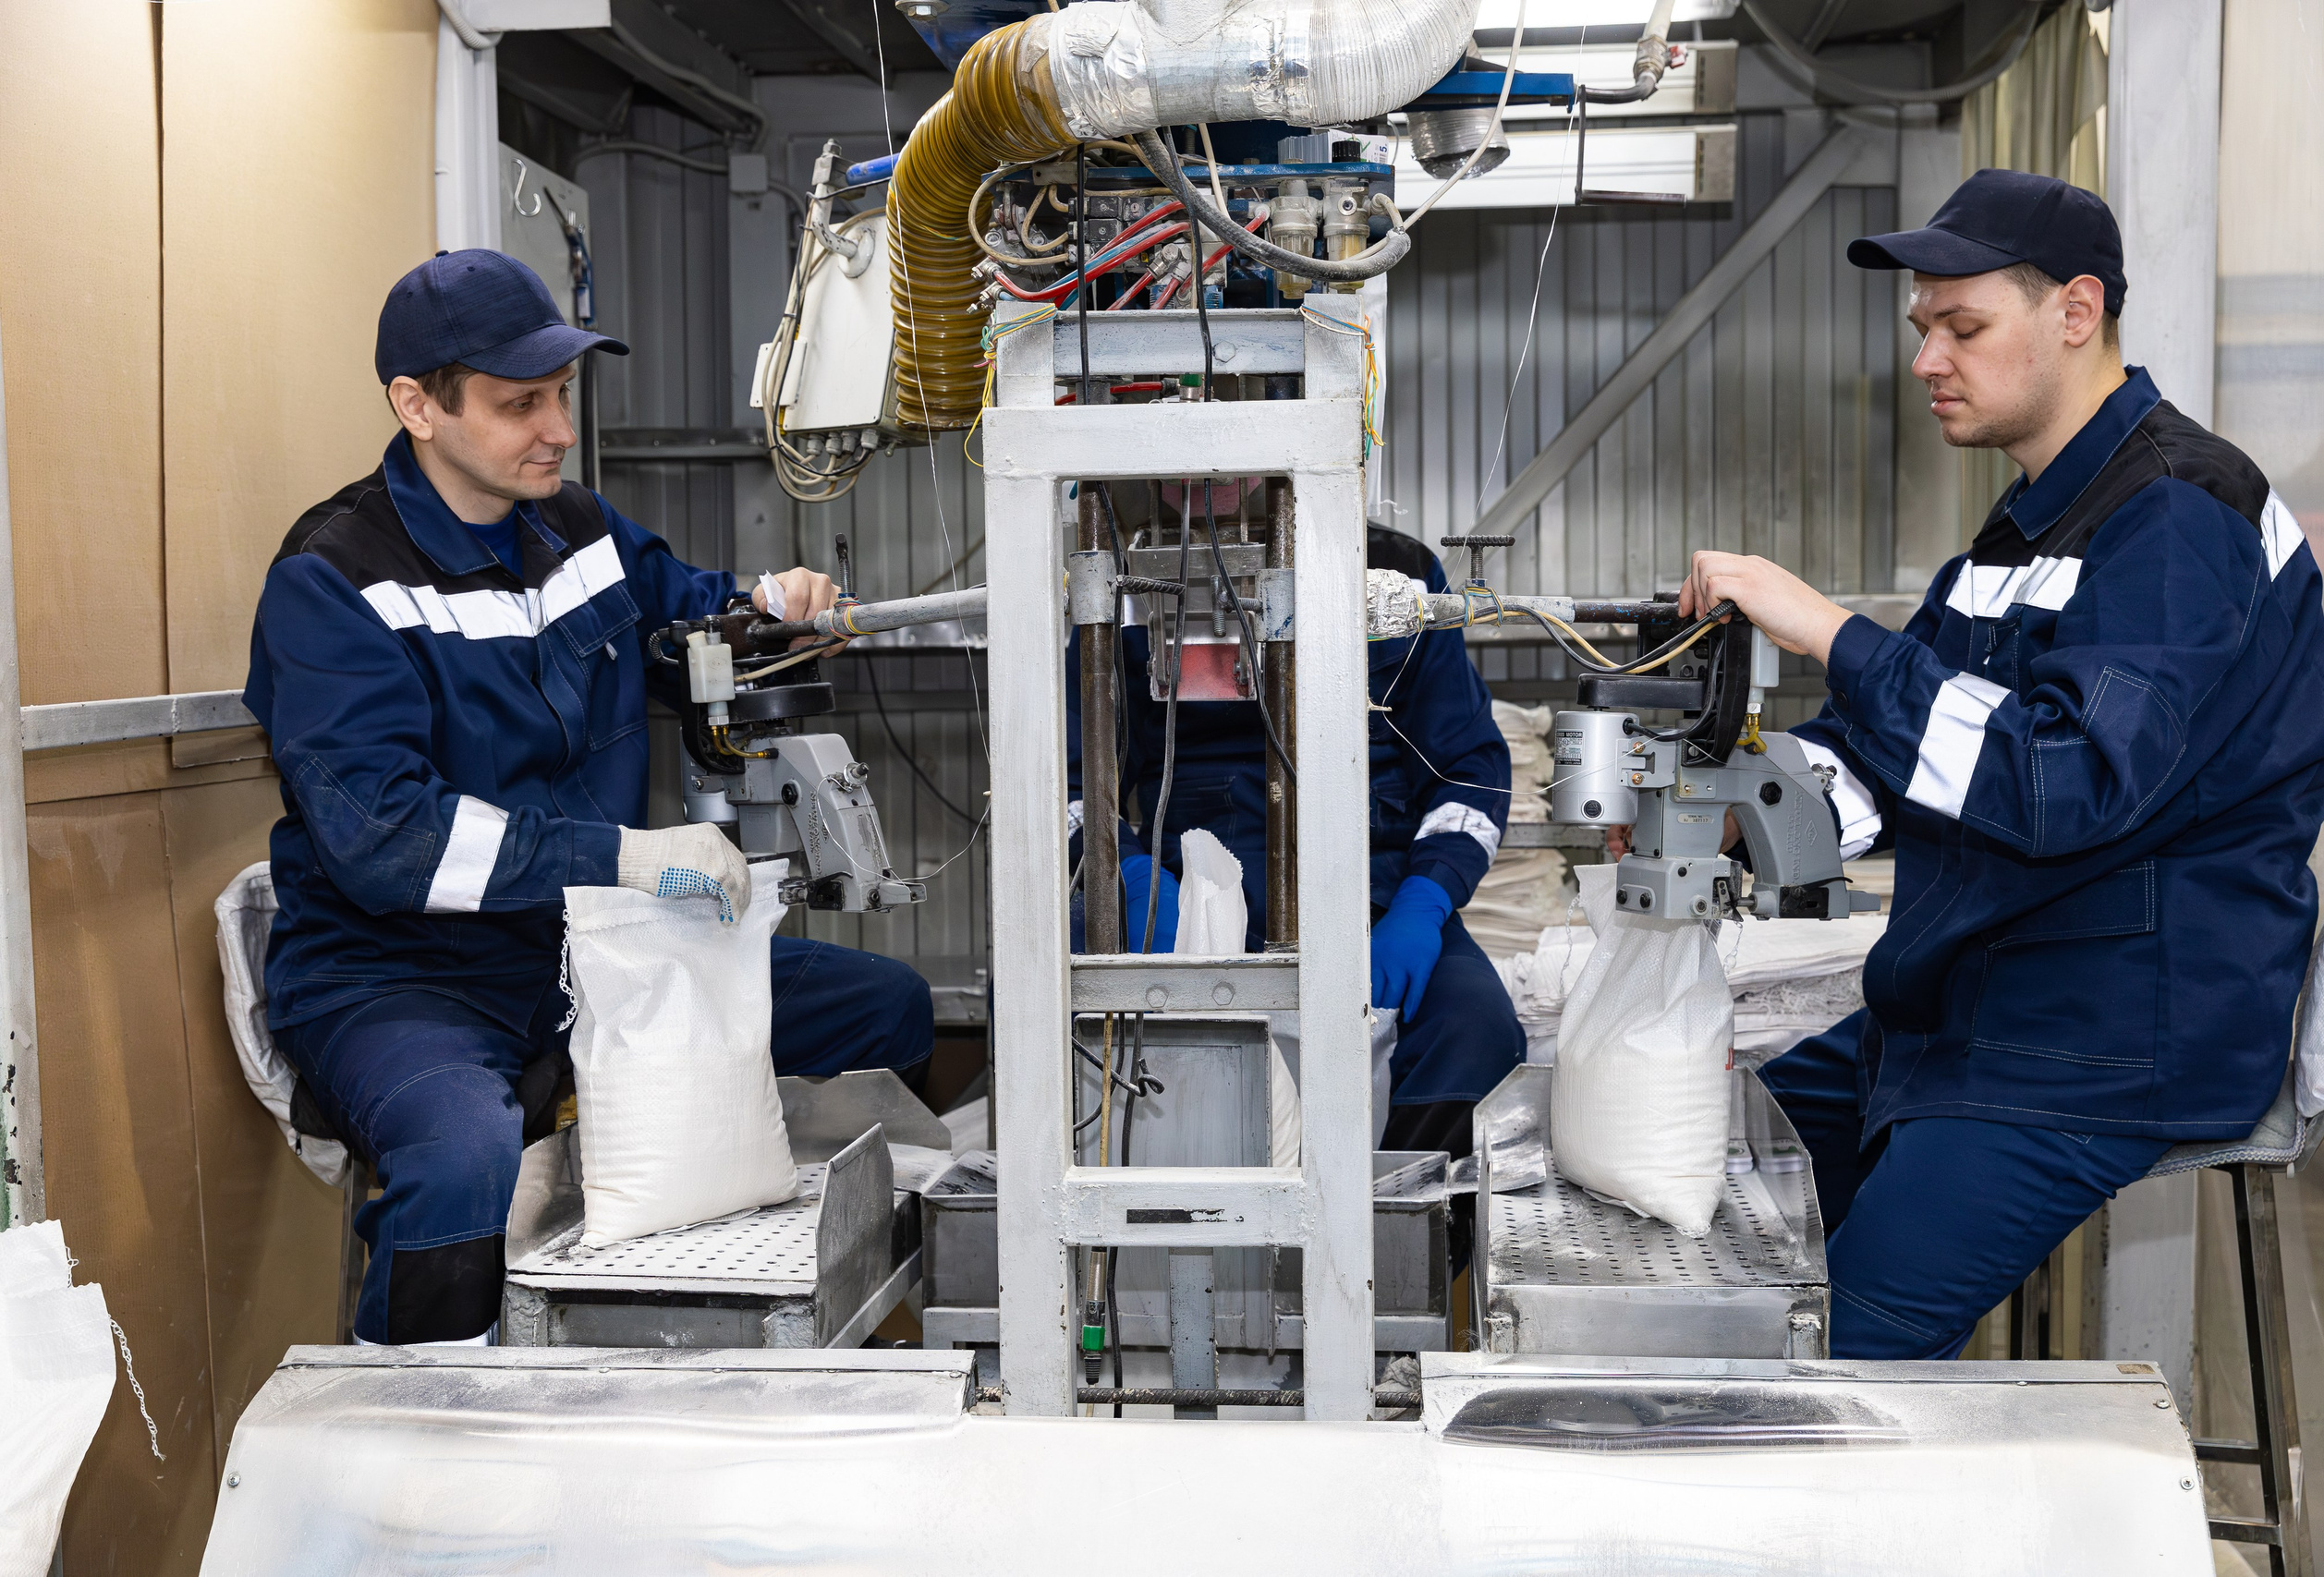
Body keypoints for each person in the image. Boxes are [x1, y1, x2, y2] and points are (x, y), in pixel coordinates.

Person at [1676, 171, 2324, 1359]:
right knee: (1710, 1146)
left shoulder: (2180, 518)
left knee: (1833, 1359)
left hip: (2107, 1035)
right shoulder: (2031, 527)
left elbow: (2060, 779)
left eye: (1962, 327)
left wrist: (1827, 630)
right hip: (1980, 996)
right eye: (1922, 328)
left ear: (2075, 313)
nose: (1929, 357)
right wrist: (1749, 813)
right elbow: (1916, 743)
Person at [244, 249, 934, 1345]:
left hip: (591, 954)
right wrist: (619, 858)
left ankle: (760, 1284)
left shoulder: (578, 530)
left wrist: (771, 608)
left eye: (560, 394)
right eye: (520, 404)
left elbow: (692, 625)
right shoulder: (334, 584)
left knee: (886, 1008)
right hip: (402, 975)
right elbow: (389, 839)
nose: (556, 428)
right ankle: (419, 1427)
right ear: (417, 405)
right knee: (464, 1153)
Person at [1066, 494, 1523, 1168]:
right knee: (1054, 1018)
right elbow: (1071, 781)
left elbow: (1471, 774)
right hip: (1194, 903)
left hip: (1376, 899)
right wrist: (1128, 879)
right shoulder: (1128, 580)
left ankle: (1381, 1240)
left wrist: (1423, 906)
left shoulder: (1395, 575)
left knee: (1476, 1031)